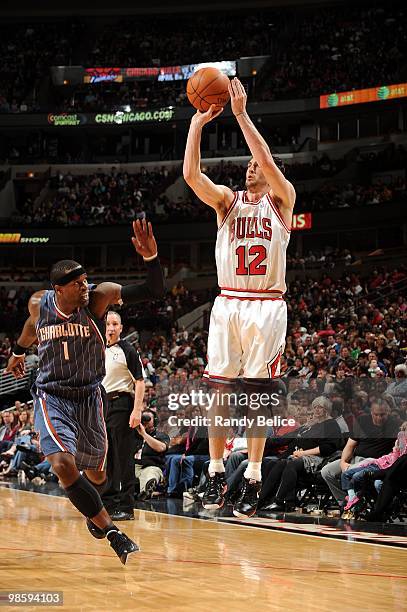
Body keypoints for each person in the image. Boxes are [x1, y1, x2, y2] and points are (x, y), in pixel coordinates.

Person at [6, 220, 165, 565]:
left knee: (97, 475)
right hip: (52, 396)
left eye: (85, 281)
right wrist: (19, 351)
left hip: (90, 398)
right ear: (58, 289)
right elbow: (32, 326)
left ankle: (93, 507)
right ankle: (112, 532)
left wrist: (151, 257)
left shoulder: (98, 300)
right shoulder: (40, 304)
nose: (85, 286)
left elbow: (153, 290)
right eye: (78, 284)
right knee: (63, 464)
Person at [183, 77, 295, 517]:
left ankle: (252, 474)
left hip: (267, 305)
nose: (251, 167)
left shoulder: (282, 201)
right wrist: (196, 124)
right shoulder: (227, 202)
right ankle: (214, 471)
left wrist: (242, 115)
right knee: (221, 393)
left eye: (257, 165)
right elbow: (192, 176)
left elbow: (266, 157)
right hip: (228, 302)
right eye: (247, 164)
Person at [101, 311, 145, 521]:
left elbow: (140, 381)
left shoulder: (127, 349)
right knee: (107, 457)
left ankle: (126, 506)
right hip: (102, 406)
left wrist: (137, 411)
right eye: (108, 324)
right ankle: (108, 503)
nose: (111, 327)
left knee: (122, 457)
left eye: (114, 324)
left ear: (121, 327)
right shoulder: (98, 349)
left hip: (122, 404)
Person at [321, 400, 400, 507]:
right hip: (354, 458)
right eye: (376, 414)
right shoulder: (362, 420)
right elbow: (350, 445)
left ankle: (355, 502)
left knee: (353, 474)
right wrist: (343, 462)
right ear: (371, 412)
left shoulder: (395, 424)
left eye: (383, 415)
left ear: (388, 412)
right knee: (326, 471)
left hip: (374, 463)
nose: (379, 418)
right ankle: (345, 502)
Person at [341, 421, 407, 515]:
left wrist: (396, 450)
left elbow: (397, 460)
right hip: (375, 462)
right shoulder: (400, 439)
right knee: (344, 473)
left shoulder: (391, 428)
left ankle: (379, 508)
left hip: (387, 467)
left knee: (370, 480)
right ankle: (352, 498)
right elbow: (350, 445)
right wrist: (343, 461)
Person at [134, 409, 169, 499]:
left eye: (148, 418)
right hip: (134, 466)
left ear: (155, 421)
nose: (145, 421)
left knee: (150, 474)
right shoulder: (133, 434)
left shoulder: (161, 435)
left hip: (150, 466)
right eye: (143, 418)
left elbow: (161, 448)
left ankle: (146, 491)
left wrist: (144, 434)